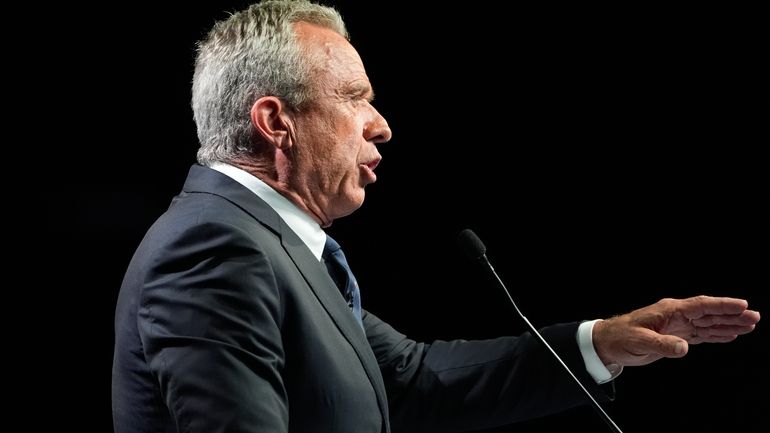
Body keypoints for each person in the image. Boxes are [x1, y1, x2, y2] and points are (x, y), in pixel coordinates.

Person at [111, 1, 760, 432]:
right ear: (276, 122)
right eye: (355, 98)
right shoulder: (214, 250)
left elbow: (413, 377)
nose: (382, 126)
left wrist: (603, 340)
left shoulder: (266, 246)